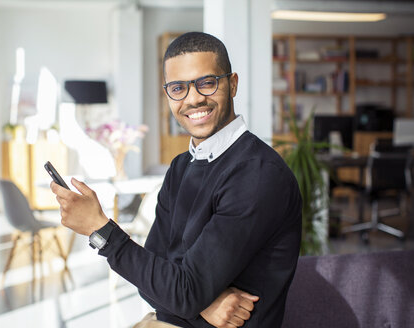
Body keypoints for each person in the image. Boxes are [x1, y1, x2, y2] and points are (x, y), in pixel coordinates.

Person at [50, 32, 302, 328]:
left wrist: (98, 228)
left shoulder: (257, 174)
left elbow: (175, 288)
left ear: (232, 84)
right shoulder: (182, 167)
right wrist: (201, 302)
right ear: (168, 93)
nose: (193, 99)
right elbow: (151, 280)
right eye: (178, 88)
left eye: (207, 83)